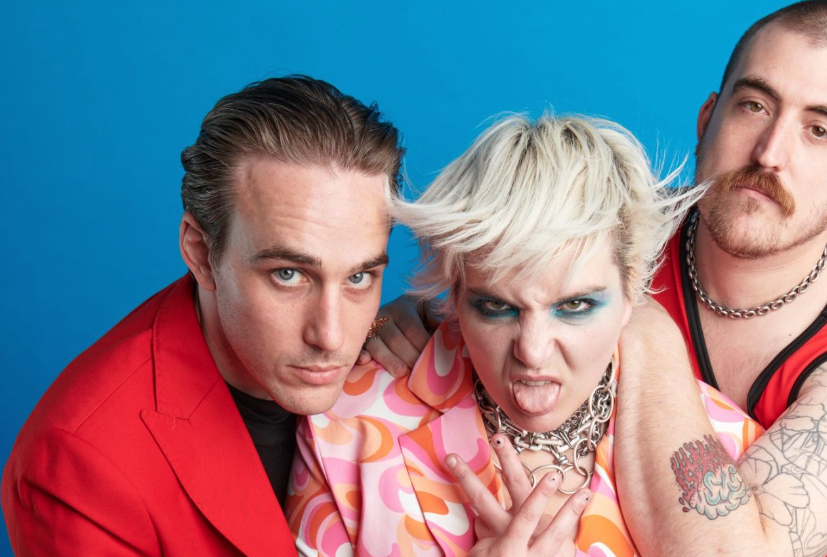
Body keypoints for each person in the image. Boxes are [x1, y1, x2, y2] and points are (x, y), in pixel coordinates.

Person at [367, 2, 827, 556]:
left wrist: (643, 324)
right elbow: (478, 294)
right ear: (707, 119)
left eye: (819, 130)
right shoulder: (618, 228)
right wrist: (397, 315)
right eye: (755, 106)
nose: (770, 153)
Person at [286, 113, 765, 557]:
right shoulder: (345, 425)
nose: (532, 352)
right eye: (497, 307)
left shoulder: (728, 445)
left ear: (632, 288)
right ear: (455, 293)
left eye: (574, 306)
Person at [1, 75, 404, 557]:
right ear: (201, 253)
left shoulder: (405, 359)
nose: (332, 336)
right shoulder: (81, 462)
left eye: (358, 277)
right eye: (288, 275)